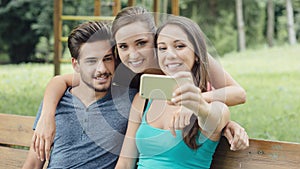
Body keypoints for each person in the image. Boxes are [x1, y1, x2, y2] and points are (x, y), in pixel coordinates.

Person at [32, 6, 248, 162]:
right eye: (123, 46)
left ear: (155, 39)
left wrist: (204, 106)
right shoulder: (122, 69)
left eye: (142, 43)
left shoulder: (177, 53)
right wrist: (46, 116)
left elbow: (238, 94)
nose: (133, 54)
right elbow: (60, 80)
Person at [115, 15, 231, 169]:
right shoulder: (143, 100)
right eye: (162, 48)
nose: (170, 54)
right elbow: (124, 163)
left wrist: (197, 106)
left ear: (197, 55)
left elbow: (213, 115)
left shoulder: (213, 105)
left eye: (179, 46)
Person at [22, 21, 137, 168]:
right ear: (76, 64)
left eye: (107, 59)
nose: (101, 69)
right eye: (91, 61)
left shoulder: (131, 100)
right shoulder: (56, 102)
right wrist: (46, 115)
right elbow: (33, 164)